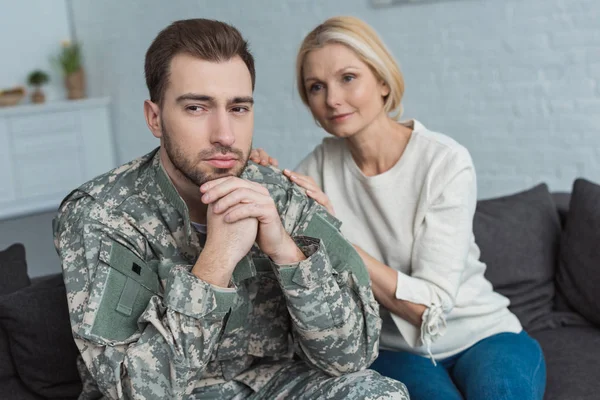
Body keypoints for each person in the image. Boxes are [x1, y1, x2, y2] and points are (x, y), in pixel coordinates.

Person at [52, 18, 410, 400]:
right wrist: (218, 259)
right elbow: (134, 390)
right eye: (196, 107)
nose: (224, 134)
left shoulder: (279, 194)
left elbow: (352, 358)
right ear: (155, 118)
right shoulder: (101, 214)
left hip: (276, 385)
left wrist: (286, 252)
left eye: (238, 108)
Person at [250, 15, 546, 400]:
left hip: (483, 334)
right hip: (391, 349)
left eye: (348, 77)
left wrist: (332, 239)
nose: (332, 99)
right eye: (316, 87)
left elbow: (429, 309)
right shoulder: (314, 171)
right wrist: (263, 182)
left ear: (384, 81)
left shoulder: (445, 161)